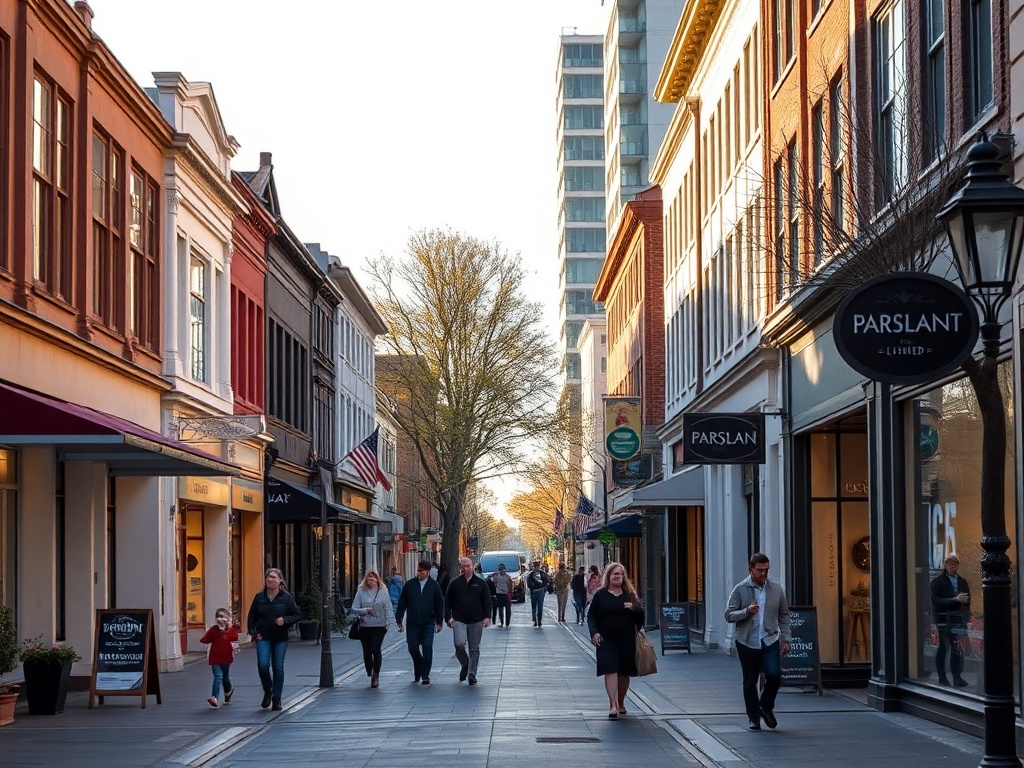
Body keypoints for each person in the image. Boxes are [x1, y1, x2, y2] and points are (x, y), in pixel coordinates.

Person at [724, 553, 792, 731]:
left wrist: (786, 638)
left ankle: (765, 705)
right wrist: (746, 611)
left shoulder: (776, 589)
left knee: (775, 676)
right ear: (751, 569)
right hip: (747, 641)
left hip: (769, 639)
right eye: (760, 570)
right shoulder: (740, 589)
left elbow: (784, 615)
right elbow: (729, 615)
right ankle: (754, 718)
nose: (764, 574)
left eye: (766, 570)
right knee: (750, 681)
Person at [587, 562, 644, 719]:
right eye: (615, 574)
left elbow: (640, 618)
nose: (618, 577)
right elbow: (591, 616)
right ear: (609, 576)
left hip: (626, 639)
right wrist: (594, 633)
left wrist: (634, 609)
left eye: (620, 574)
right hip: (606, 639)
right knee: (610, 669)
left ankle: (621, 701)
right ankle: (613, 704)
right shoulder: (600, 595)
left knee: (624, 672)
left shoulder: (629, 595)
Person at [246, 567, 301, 711]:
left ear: (280, 580)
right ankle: (268, 689)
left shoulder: (287, 597)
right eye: (268, 577)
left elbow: (296, 614)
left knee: (278, 667)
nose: (270, 579)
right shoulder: (260, 597)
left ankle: (277, 699)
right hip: (263, 636)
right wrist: (253, 632)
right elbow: (252, 616)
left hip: (280, 637)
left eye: (274, 577)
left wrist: (285, 620)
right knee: (263, 665)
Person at [396, 559, 446, 685]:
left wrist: (440, 622)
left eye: (421, 571)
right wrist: (399, 620)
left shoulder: (434, 586)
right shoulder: (410, 585)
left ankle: (425, 674)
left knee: (427, 646)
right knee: (412, 647)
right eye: (418, 570)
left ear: (428, 572)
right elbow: (402, 603)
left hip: (428, 622)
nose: (419, 573)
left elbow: (439, 605)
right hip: (413, 622)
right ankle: (418, 664)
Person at [445, 556, 492, 684]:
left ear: (472, 567)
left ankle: (472, 673)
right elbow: (448, 601)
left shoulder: (480, 583)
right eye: (462, 566)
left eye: (467, 566)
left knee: (474, 648)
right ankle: (465, 664)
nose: (464, 568)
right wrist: (447, 617)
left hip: (476, 619)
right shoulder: (455, 583)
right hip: (459, 619)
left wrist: (487, 616)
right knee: (459, 643)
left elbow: (487, 600)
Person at [930, 552, 971, 687]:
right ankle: (942, 676)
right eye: (950, 563)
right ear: (945, 565)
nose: (953, 566)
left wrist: (966, 611)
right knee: (943, 647)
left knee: (957, 648)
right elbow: (935, 600)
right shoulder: (937, 582)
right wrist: (954, 599)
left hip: (958, 619)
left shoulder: (963, 581)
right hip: (943, 619)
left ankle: (957, 676)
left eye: (956, 563)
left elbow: (967, 599)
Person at [351, 569, 396, 688]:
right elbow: (354, 608)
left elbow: (388, 607)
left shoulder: (383, 591)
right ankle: (369, 670)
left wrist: (390, 622)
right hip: (365, 625)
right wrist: (364, 611)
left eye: (373, 578)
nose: (370, 580)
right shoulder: (361, 591)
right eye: (368, 578)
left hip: (380, 625)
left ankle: (376, 675)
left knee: (375, 648)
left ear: (377, 580)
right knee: (367, 650)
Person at [199, 607, 239, 708]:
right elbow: (204, 640)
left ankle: (228, 693)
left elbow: (235, 642)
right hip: (215, 657)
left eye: (222, 617)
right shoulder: (213, 630)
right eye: (217, 617)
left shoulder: (232, 631)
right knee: (218, 676)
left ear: (227, 618)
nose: (219, 619)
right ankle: (214, 697)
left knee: (225, 677)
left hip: (226, 658)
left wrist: (235, 647)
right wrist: (208, 637)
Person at [526, 560, 551, 627]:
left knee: (540, 606)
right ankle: (535, 620)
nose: (537, 567)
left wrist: (544, 588)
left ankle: (539, 620)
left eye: (538, 566)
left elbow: (547, 581)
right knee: (534, 606)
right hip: (534, 592)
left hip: (541, 591)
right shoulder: (530, 575)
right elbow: (528, 583)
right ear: (533, 567)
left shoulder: (543, 573)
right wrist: (532, 588)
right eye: (535, 566)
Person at [490, 563, 513, 628]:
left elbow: (510, 585)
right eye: (500, 569)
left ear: (504, 569)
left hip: (506, 594)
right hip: (499, 594)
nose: (501, 570)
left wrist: (510, 593)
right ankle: (502, 621)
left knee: (508, 609)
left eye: (502, 569)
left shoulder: (508, 577)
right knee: (500, 609)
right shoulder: (496, 576)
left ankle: (507, 622)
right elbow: (493, 582)